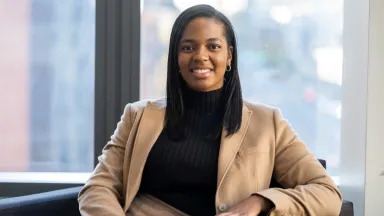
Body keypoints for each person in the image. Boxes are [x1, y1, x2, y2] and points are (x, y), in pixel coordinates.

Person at [78, 4, 342, 216]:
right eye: (188, 47)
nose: (200, 56)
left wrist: (260, 202)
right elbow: (98, 187)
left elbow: (327, 194)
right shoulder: (138, 116)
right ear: (176, 58)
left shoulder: (268, 122)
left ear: (229, 56)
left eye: (213, 46)